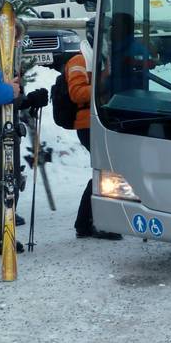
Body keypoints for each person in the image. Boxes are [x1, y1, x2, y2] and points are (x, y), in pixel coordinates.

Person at [0, 22, 49, 256]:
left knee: (11, 181)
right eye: (13, 38)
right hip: (0, 133)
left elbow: (13, 99)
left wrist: (29, 100)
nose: (16, 43)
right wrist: (11, 92)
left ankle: (3, 231)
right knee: (3, 182)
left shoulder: (9, 63)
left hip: (8, 132)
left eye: (17, 38)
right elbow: (5, 94)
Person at [66, 21, 121, 241]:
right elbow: (76, 93)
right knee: (105, 169)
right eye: (103, 34)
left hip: (101, 120)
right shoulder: (79, 60)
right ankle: (92, 221)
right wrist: (103, 87)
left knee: (106, 169)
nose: (107, 38)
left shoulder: (102, 58)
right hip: (86, 123)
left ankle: (85, 223)